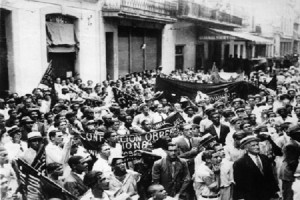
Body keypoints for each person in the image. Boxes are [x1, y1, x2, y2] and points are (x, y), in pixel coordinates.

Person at [233, 135, 279, 200]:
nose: (257, 147)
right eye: (253, 145)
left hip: (267, 194)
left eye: (257, 144)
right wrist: (241, 197)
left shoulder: (264, 158)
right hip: (251, 195)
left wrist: (275, 191)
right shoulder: (240, 163)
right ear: (246, 148)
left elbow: (270, 176)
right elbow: (239, 182)